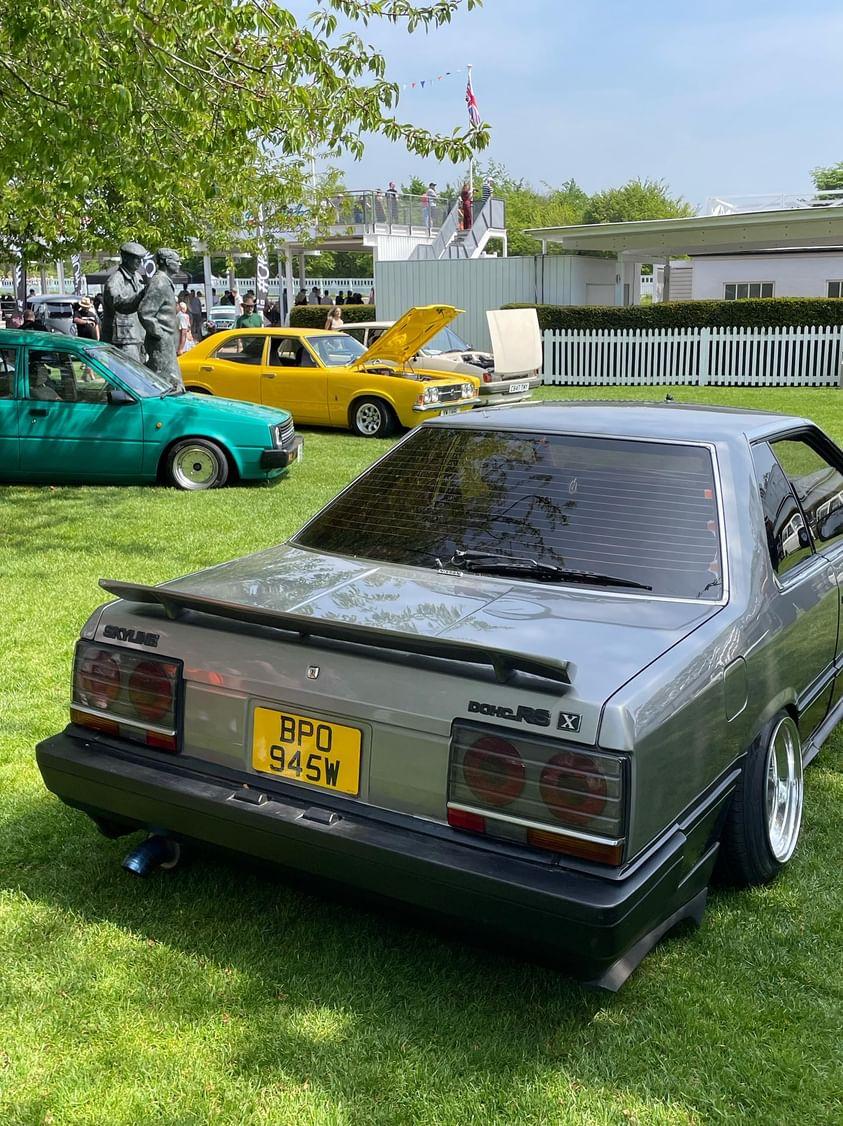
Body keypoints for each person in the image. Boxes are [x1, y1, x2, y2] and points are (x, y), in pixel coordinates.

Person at [138, 247, 182, 386]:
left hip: (167, 341)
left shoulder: (165, 282)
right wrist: (161, 334)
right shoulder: (159, 282)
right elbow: (145, 312)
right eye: (177, 261)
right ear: (167, 262)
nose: (179, 264)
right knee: (166, 383)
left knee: (169, 382)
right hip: (161, 342)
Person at [101, 240, 148, 361]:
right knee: (127, 376)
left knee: (140, 375)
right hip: (123, 339)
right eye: (136, 258)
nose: (139, 262)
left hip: (137, 335)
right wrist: (141, 295)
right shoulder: (115, 281)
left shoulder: (137, 277)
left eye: (141, 258)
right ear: (125, 258)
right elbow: (119, 305)